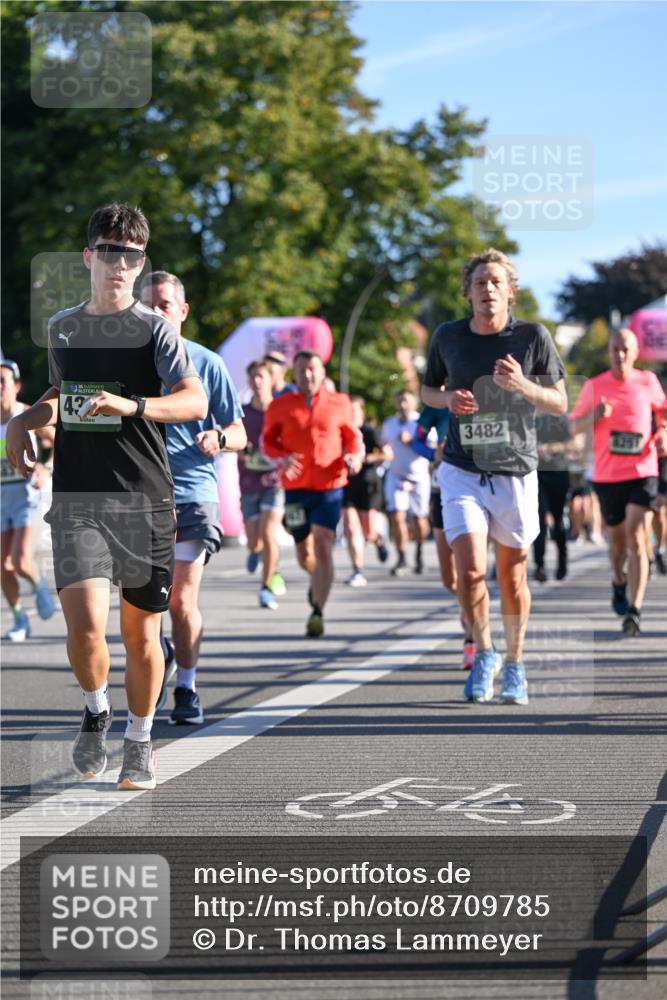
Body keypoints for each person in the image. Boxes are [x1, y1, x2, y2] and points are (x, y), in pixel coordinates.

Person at [6, 202, 208, 790]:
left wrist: (134, 406)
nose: (121, 265)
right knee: (86, 626)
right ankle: (96, 706)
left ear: (141, 263)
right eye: (111, 252)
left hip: (143, 499)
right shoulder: (64, 326)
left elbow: (193, 401)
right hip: (78, 499)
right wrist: (25, 421)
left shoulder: (155, 330)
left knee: (141, 635)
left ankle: (140, 739)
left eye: (133, 256)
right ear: (90, 255)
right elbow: (59, 392)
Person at [422, 248, 567, 706]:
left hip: (514, 471)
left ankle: (516, 663)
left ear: (510, 291)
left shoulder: (531, 336)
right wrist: (448, 402)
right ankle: (484, 652)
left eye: (496, 282)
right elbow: (428, 389)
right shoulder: (447, 336)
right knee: (468, 573)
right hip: (462, 468)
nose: (488, 290)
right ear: (468, 292)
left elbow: (561, 403)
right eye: (480, 282)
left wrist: (523, 385)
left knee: (513, 578)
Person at [139, 270, 245, 724]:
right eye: (146, 307)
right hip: (140, 497)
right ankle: (159, 652)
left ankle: (187, 687)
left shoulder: (208, 363)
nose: (154, 314)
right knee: (147, 604)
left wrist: (220, 439)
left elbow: (241, 432)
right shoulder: (129, 365)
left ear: (181, 312)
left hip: (193, 495)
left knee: (180, 601)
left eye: (163, 305)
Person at [569, 328, 667, 635]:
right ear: (609, 352)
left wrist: (662, 432)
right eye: (615, 349)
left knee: (637, 534)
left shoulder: (648, 381)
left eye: (625, 349)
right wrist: (594, 416)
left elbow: (662, 413)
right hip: (609, 476)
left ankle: (635, 609)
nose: (620, 355)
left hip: (643, 469)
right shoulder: (595, 386)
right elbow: (573, 427)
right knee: (618, 545)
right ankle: (618, 579)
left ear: (636, 352)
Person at [263, 350, 364, 637]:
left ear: (322, 372)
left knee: (323, 543)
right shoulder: (280, 405)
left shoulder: (340, 403)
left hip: (330, 486)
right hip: (295, 488)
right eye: (302, 370)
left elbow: (353, 439)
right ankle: (317, 580)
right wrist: (281, 458)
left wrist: (354, 457)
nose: (307, 375)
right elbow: (268, 443)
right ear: (293, 374)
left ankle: (318, 610)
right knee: (304, 552)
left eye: (312, 370)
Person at [412, 404, 475, 670]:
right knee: (450, 578)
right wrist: (433, 453)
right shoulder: (434, 409)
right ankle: (465, 603)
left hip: (473, 488)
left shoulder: (480, 396)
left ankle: (472, 643)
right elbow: (416, 439)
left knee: (470, 572)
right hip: (441, 490)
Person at [1, 359, 56, 640]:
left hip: (27, 499)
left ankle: (38, 586)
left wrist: (47, 467)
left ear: (17, 386)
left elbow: (58, 439)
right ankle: (20, 620)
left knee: (21, 561)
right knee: (3, 566)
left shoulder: (28, 416)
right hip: (1, 500)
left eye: (3, 381)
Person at [238, 359, 286, 609]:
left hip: (274, 482)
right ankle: (255, 551)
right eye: (253, 377)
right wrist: (243, 454)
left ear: (271, 380)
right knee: (255, 540)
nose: (257, 382)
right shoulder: (242, 413)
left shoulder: (281, 410)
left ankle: (266, 586)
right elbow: (234, 443)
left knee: (269, 533)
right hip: (248, 482)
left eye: (262, 377)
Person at [381, 390, 431, 576]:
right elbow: (384, 444)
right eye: (400, 401)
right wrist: (384, 450)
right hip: (396, 476)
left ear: (414, 404)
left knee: (419, 519)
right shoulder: (389, 424)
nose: (403, 405)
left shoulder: (421, 423)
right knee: (397, 517)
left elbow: (431, 450)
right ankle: (401, 557)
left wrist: (411, 441)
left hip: (418, 478)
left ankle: (419, 552)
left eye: (406, 401)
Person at [342, 395, 388, 587]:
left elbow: (387, 454)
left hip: (368, 484)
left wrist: (363, 460)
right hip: (347, 484)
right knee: (351, 528)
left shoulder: (369, 431)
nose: (351, 414)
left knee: (367, 532)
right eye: (348, 410)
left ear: (362, 412)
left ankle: (377, 540)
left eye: (355, 410)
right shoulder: (342, 431)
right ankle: (357, 570)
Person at [532, 413, 574, 582]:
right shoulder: (528, 415)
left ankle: (562, 562)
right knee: (539, 519)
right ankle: (539, 566)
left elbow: (574, 443)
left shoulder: (560, 418)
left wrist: (550, 448)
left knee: (558, 520)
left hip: (558, 473)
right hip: (536, 474)